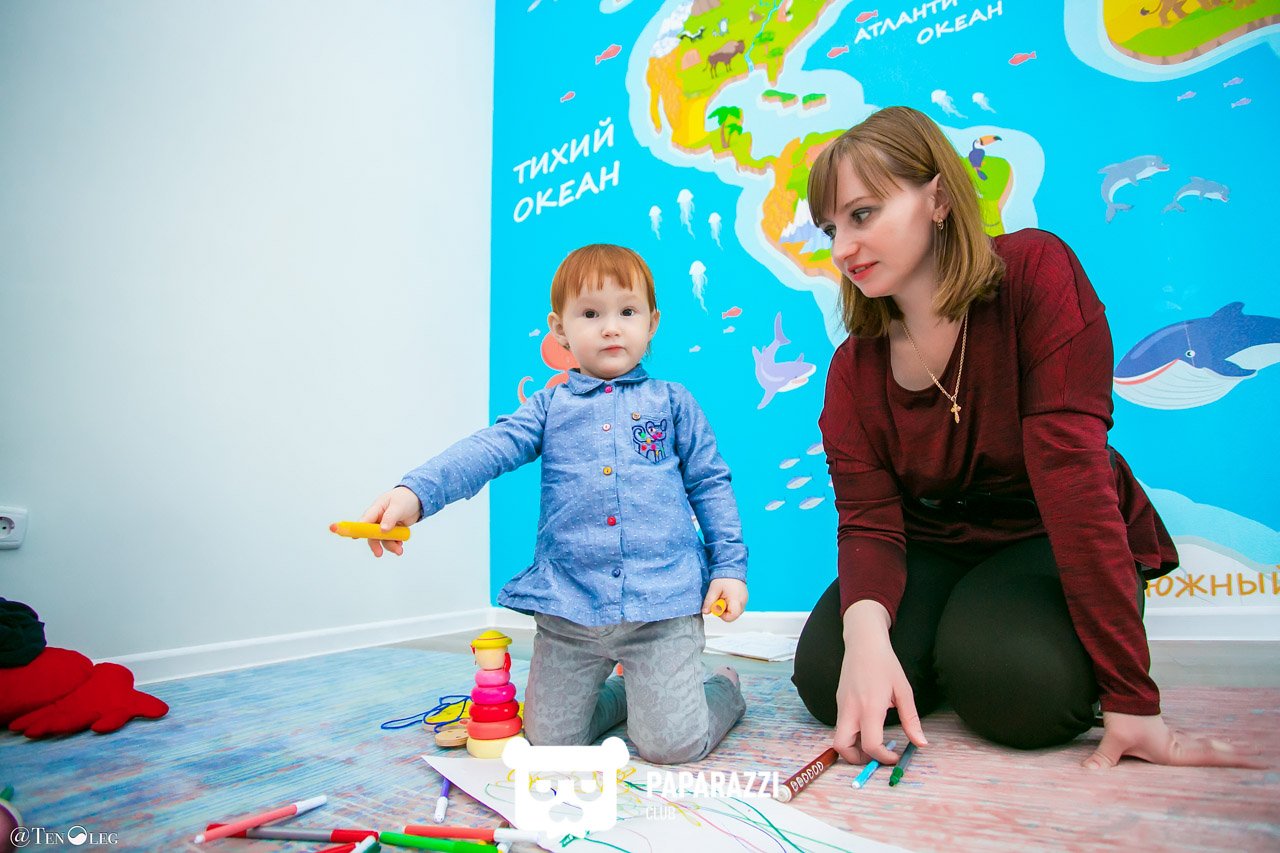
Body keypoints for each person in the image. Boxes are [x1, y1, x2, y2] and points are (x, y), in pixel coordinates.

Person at [791, 106, 1258, 772]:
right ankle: (948, 642)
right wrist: (867, 637)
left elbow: (1075, 487)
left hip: (1043, 530)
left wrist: (1132, 698)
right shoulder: (852, 370)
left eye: (863, 214)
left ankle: (971, 644)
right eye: (831, 229)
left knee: (1019, 688)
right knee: (825, 675)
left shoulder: (1036, 274)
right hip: (935, 544)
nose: (842, 249)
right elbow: (869, 521)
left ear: (939, 199)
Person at [357, 243, 748, 764]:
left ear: (651, 323)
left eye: (627, 312)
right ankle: (628, 696)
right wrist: (417, 492)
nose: (611, 328)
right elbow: (489, 449)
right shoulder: (548, 407)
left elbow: (710, 483)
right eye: (591, 314)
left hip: (660, 608)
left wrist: (729, 567)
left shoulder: (673, 402)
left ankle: (721, 690)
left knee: (672, 746)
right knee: (548, 745)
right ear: (560, 330)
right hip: (570, 611)